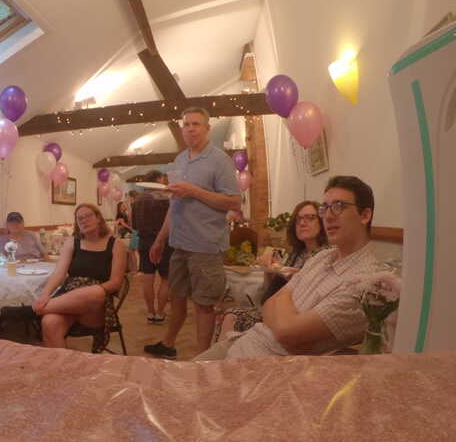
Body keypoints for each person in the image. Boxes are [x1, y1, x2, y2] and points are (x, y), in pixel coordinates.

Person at [195, 175, 382, 360]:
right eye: (325, 208)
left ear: (365, 215)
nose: (328, 216)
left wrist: (281, 315)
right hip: (244, 341)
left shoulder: (365, 282)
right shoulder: (322, 257)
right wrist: (283, 317)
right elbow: (269, 302)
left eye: (339, 206)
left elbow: (286, 332)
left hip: (261, 363)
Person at [144, 106, 241, 359]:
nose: (190, 129)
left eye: (196, 124)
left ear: (207, 128)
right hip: (179, 244)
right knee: (176, 297)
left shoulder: (220, 160)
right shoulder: (180, 160)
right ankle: (168, 344)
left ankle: (202, 359)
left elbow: (234, 201)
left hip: (206, 246)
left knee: (204, 305)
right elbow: (175, 204)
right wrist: (160, 240)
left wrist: (194, 191)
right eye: (186, 124)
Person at [218, 200, 328, 338]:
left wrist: (295, 276)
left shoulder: (326, 254)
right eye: (298, 219)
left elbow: (318, 291)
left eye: (310, 218)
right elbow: (269, 292)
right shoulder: (297, 253)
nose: (302, 223)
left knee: (233, 316)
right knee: (230, 315)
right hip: (277, 309)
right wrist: (268, 271)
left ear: (322, 222)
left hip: (299, 316)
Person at [31, 203, 127, 349]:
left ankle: (30, 312)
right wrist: (45, 295)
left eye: (88, 216)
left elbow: (116, 282)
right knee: (49, 323)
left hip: (94, 307)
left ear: (98, 218)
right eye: (79, 218)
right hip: (67, 300)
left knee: (95, 292)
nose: (84, 220)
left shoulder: (116, 244)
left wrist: (94, 290)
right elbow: (59, 274)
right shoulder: (72, 242)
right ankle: (61, 364)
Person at [131, 170, 172, 324]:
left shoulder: (137, 200)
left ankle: (150, 313)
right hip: (165, 242)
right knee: (166, 279)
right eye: (162, 178)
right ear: (157, 179)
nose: (164, 181)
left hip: (144, 242)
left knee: (147, 279)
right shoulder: (167, 198)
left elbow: (134, 225)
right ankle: (160, 314)